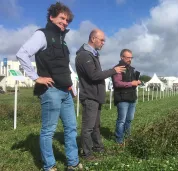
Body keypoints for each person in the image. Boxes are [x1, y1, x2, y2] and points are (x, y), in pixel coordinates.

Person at [16, 2, 82, 171]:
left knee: (71, 128)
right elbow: (22, 53)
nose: (65, 22)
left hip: (66, 91)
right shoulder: (42, 35)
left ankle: (73, 163)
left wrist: (72, 87)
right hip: (51, 91)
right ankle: (49, 166)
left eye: (67, 20)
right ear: (52, 17)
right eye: (62, 18)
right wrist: (36, 77)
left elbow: (65, 67)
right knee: (48, 131)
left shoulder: (63, 40)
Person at [75, 29, 126, 160]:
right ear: (93, 39)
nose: (103, 43)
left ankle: (98, 147)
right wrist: (113, 71)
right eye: (102, 40)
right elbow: (94, 75)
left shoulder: (92, 54)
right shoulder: (84, 55)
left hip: (95, 96)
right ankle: (86, 153)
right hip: (90, 96)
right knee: (88, 127)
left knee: (96, 126)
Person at [112, 49, 141, 146]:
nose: (130, 59)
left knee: (129, 119)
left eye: (131, 57)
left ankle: (127, 137)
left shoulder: (131, 69)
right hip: (122, 98)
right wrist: (131, 83)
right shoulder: (118, 68)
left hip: (132, 97)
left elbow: (132, 82)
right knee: (121, 120)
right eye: (127, 57)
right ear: (122, 57)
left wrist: (136, 82)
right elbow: (117, 83)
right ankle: (119, 140)